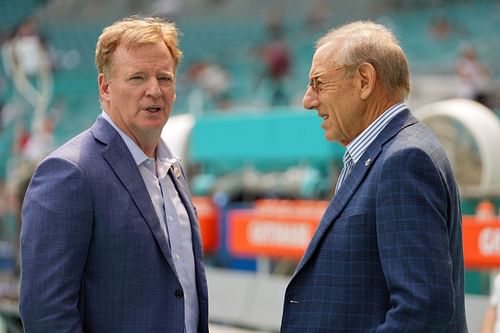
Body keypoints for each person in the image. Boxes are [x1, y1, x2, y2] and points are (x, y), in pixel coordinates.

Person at [19, 17, 209, 333]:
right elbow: (46, 314)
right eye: (137, 78)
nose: (154, 91)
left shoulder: (172, 169)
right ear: (105, 87)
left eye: (164, 77)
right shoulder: (68, 173)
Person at [280, 21, 468, 332]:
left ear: (365, 80)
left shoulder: (404, 160)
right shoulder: (382, 154)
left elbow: (422, 309)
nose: (308, 100)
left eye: (318, 83)